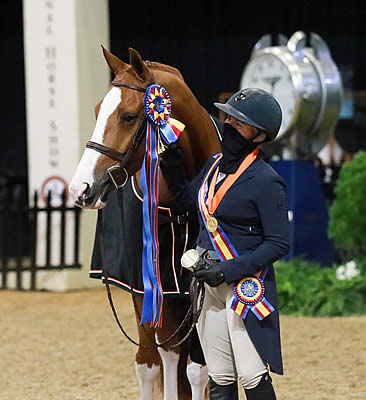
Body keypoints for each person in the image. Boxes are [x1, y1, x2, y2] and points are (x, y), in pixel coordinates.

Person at [160, 88, 290, 400]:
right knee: (219, 376)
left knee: (251, 374)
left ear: (258, 135)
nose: (229, 124)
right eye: (228, 116)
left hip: (244, 285)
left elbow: (278, 243)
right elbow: (188, 200)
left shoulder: (266, 180)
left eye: (239, 122)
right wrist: (171, 158)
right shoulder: (214, 166)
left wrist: (228, 270)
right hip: (207, 284)